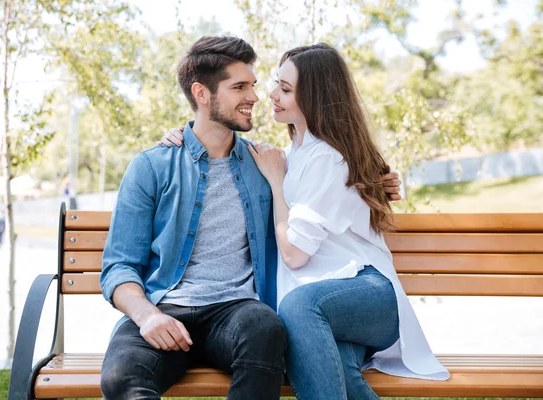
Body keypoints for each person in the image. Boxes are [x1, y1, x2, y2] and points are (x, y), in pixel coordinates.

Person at [102, 36, 402, 400]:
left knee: (265, 331)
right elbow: (119, 266)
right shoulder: (152, 166)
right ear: (202, 93)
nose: (256, 97)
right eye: (239, 87)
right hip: (164, 306)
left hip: (238, 312)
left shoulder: (267, 165)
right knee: (121, 377)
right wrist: (147, 316)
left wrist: (381, 181)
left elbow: (334, 176)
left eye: (255, 86)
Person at [159, 43, 448, 399]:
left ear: (315, 97)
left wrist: (278, 185)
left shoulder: (326, 157)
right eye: (276, 83)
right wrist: (177, 137)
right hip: (327, 305)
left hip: (364, 295)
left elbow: (295, 254)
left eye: (285, 88)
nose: (271, 95)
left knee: (298, 307)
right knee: (342, 375)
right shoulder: (295, 152)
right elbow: (211, 141)